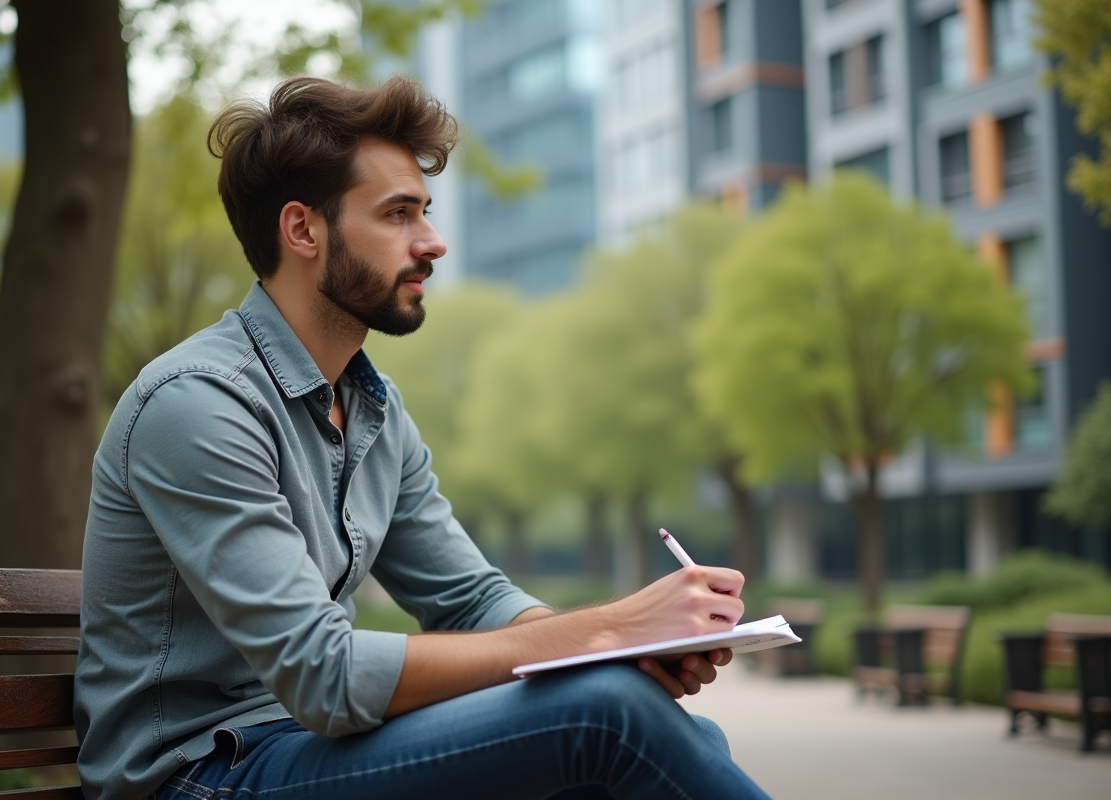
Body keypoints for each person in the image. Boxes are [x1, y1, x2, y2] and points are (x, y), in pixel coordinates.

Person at [74, 75, 771, 800]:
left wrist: (624, 648)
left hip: (308, 748)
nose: (433, 242)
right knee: (607, 716)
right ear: (303, 230)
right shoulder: (197, 403)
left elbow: (470, 599)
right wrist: (606, 632)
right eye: (398, 214)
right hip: (198, 772)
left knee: (667, 724)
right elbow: (324, 674)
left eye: (424, 213)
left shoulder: (372, 407)